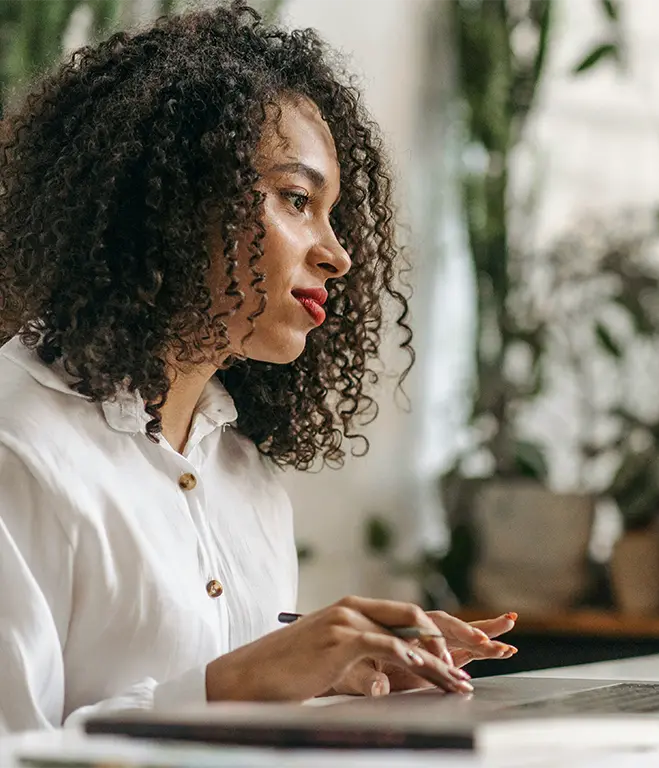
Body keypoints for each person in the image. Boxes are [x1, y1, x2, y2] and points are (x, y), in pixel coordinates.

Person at [0, 1, 518, 734]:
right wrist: (236, 683)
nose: (337, 254)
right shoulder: (16, 449)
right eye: (297, 200)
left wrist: (335, 677)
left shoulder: (244, 473)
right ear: (176, 195)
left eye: (334, 214)